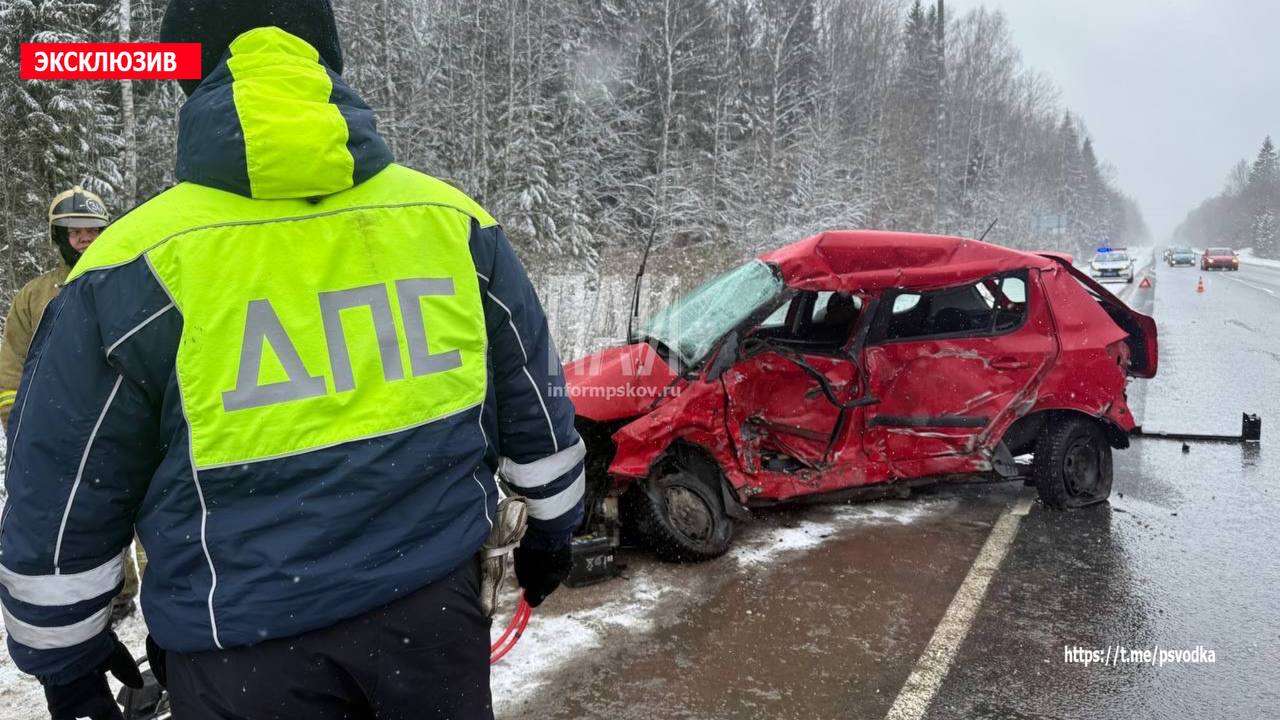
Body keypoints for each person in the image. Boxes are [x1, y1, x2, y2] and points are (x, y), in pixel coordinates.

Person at [0, 1, 584, 718]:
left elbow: (66, 485)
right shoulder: (452, 224)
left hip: (241, 650)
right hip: (434, 624)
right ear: (328, 63)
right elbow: (535, 402)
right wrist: (554, 530)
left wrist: (66, 661)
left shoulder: (132, 269)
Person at [0, 187, 144, 627]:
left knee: (151, 516)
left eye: (93, 231)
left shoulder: (133, 282)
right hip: (67, 437)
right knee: (90, 525)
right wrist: (23, 427)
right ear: (56, 236)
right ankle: (112, 601)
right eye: (74, 232)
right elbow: (11, 370)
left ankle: (165, 596)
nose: (84, 239)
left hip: (133, 428)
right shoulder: (34, 296)